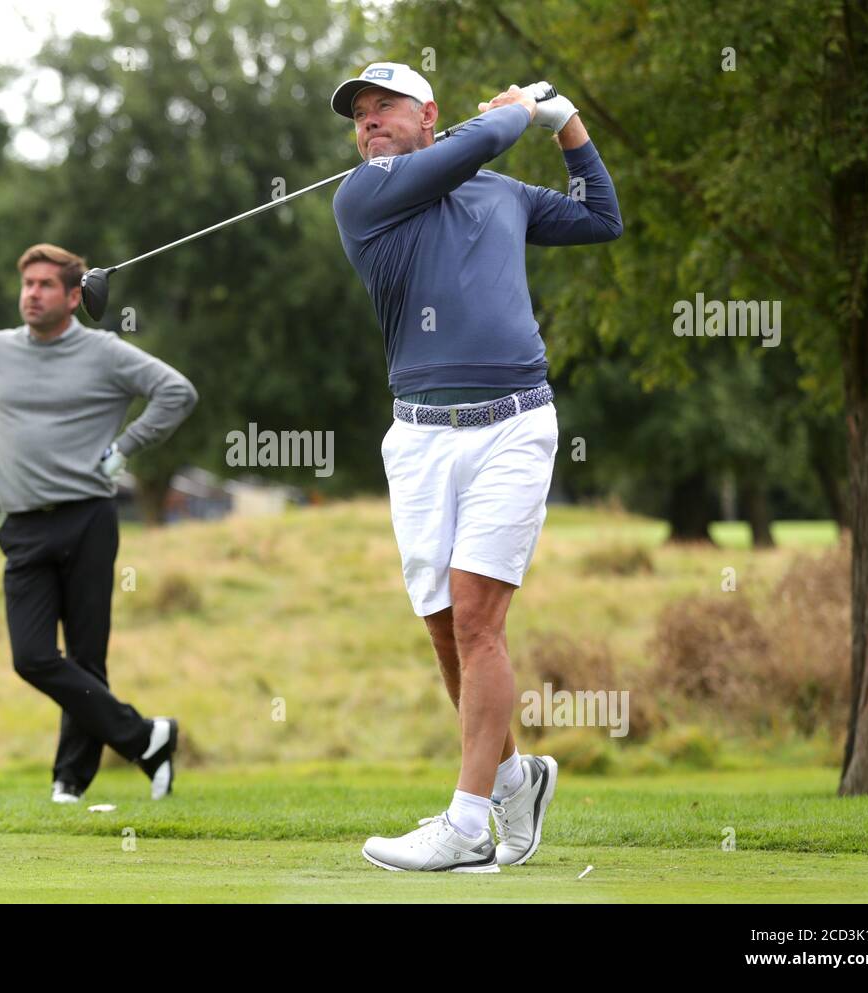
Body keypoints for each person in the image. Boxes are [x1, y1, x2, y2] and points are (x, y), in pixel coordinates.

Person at [329, 63, 623, 871]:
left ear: (427, 114)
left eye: (383, 106)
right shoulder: (365, 195)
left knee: (475, 619)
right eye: (358, 114)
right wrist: (523, 107)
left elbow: (602, 219)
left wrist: (566, 124)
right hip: (419, 439)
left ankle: (464, 825)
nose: (367, 122)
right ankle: (517, 778)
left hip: (514, 425)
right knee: (444, 632)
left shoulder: (502, 195)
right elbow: (485, 137)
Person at [0, 244, 198, 803]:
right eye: (27, 284)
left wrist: (125, 448)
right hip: (24, 524)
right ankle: (146, 737)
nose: (32, 294)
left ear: (75, 297)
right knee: (31, 656)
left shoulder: (105, 354)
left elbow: (177, 391)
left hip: (88, 518)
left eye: (45, 285)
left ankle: (69, 784)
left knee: (86, 656)